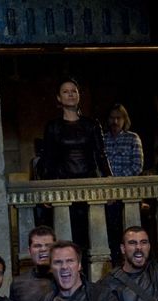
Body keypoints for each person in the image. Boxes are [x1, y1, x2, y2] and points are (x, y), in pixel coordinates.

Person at [37, 77, 113, 258]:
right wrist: (46, 187)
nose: (70, 94)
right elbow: (48, 159)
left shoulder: (92, 124)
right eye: (65, 91)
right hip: (63, 186)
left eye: (74, 91)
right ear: (59, 98)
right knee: (67, 238)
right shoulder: (53, 127)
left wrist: (109, 180)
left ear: (79, 95)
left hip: (89, 184)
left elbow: (101, 154)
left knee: (91, 236)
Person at [103, 103, 144, 265]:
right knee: (109, 237)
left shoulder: (132, 138)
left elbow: (137, 166)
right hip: (106, 197)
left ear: (124, 120)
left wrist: (115, 183)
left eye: (118, 118)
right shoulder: (102, 139)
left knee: (130, 235)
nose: (115, 121)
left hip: (127, 195)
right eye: (112, 118)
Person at [10, 226, 56, 301]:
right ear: (30, 251)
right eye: (37, 246)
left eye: (48, 245)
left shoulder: (66, 280)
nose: (43, 249)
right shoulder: (18, 283)